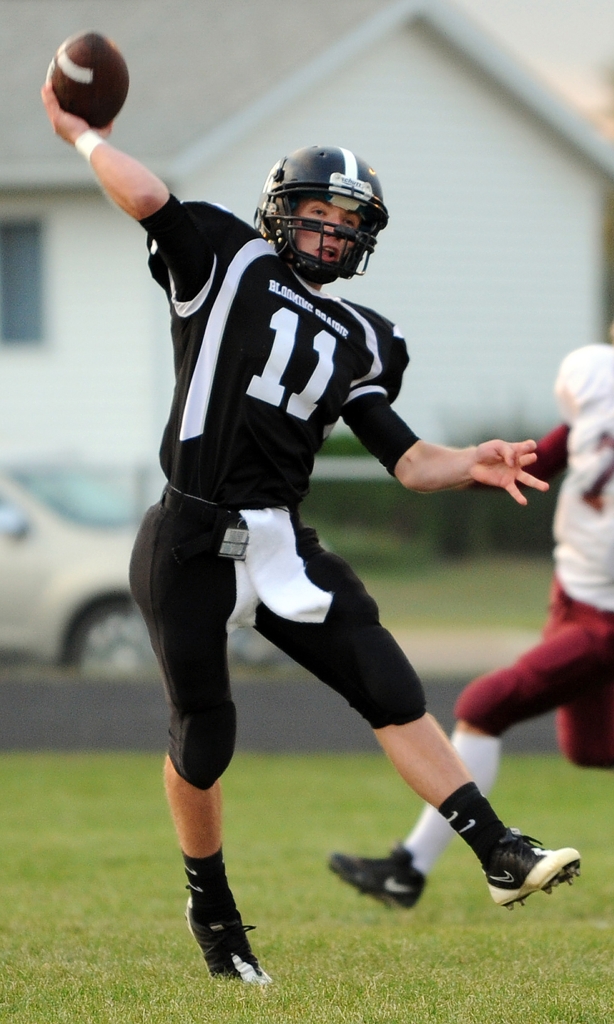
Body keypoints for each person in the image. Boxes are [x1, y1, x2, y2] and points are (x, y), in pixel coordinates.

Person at [42, 80, 580, 985]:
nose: (330, 234)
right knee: (204, 740)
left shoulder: (366, 338)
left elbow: (407, 460)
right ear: (279, 212)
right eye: (316, 215)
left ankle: (497, 851)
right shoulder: (225, 259)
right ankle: (212, 910)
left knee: (389, 684)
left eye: (347, 223)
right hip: (188, 534)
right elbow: (147, 197)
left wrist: (472, 460)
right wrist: (83, 134)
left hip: (280, 541)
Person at [329, 342, 613, 911]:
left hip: (605, 617)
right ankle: (407, 870)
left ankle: (408, 869)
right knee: (590, 747)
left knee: (484, 706)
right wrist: (449, 470)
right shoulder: (599, 390)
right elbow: (536, 463)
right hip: (574, 595)